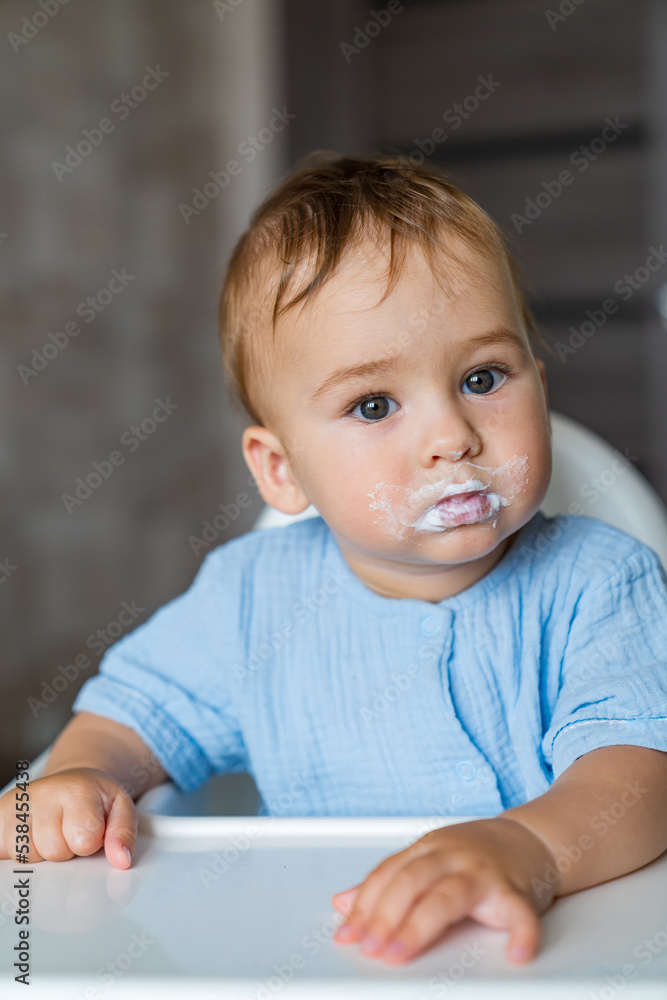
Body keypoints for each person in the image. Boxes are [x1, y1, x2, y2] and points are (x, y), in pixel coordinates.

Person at [2, 152, 667, 968]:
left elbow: (636, 780)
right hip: (322, 955)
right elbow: (137, 716)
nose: (450, 437)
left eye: (482, 376)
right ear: (280, 470)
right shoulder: (252, 598)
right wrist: (80, 774)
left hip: (551, 959)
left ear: (538, 376)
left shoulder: (602, 582)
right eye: (374, 404)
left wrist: (528, 849)